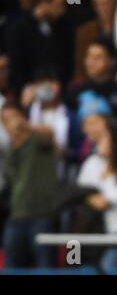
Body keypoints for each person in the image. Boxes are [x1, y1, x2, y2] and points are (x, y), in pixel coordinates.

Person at [1, 102, 59, 268]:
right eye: (6, 120)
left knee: (46, 267)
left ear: (23, 118)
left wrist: (25, 127)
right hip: (16, 216)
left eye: (14, 117)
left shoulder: (37, 139)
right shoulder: (10, 149)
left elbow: (50, 133)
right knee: (11, 268)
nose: (12, 123)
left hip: (42, 215)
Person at [77, 118, 117, 271]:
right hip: (99, 231)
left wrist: (88, 196)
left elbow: (105, 202)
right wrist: (89, 197)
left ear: (116, 143)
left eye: (105, 138)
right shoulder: (94, 163)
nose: (99, 142)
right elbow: (78, 191)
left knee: (108, 266)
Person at [4, 0, 70, 94]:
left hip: (58, 91)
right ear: (43, 3)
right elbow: (16, 68)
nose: (62, 11)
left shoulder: (62, 27)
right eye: (58, 5)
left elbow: (65, 63)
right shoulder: (19, 29)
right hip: (28, 92)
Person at [73, 0, 117, 82]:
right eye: (99, 4)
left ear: (116, 3)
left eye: (107, 2)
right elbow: (80, 67)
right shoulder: (85, 31)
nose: (104, 8)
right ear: (94, 6)